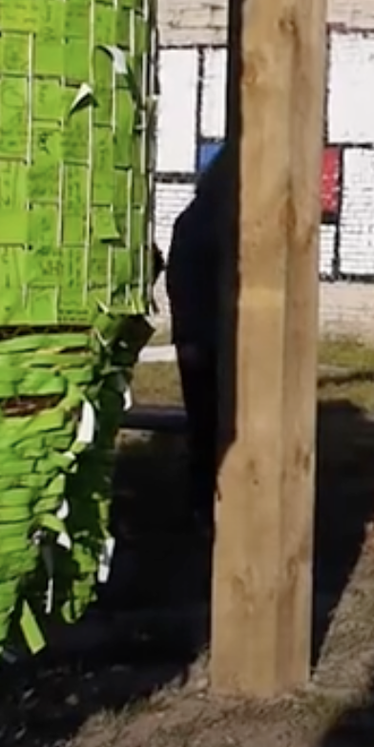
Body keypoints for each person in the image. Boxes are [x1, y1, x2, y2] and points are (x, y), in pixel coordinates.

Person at [163, 153, 232, 532]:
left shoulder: (195, 220)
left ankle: (206, 505)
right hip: (206, 340)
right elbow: (183, 284)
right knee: (208, 427)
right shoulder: (206, 223)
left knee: (207, 426)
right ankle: (205, 507)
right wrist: (190, 336)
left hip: (204, 338)